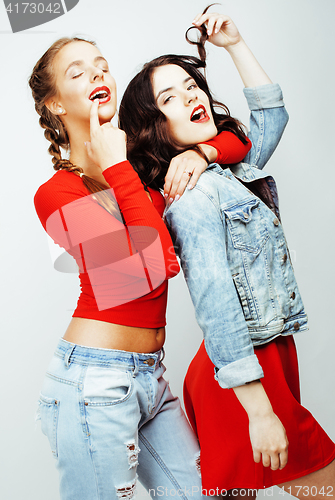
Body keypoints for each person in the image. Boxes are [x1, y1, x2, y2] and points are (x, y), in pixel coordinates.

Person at [118, 8, 335, 498]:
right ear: (154, 125)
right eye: (168, 98)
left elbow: (271, 116)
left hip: (268, 358)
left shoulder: (231, 170)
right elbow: (215, 304)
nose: (190, 96)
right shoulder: (192, 200)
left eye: (190, 85)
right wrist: (258, 411)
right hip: (243, 378)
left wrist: (234, 45)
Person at [30, 35, 251, 499]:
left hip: (151, 377)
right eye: (77, 72)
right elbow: (150, 267)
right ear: (54, 105)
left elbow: (236, 138)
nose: (96, 75)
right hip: (93, 382)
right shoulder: (56, 194)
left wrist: (198, 153)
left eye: (102, 66)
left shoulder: (138, 165)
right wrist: (116, 169)